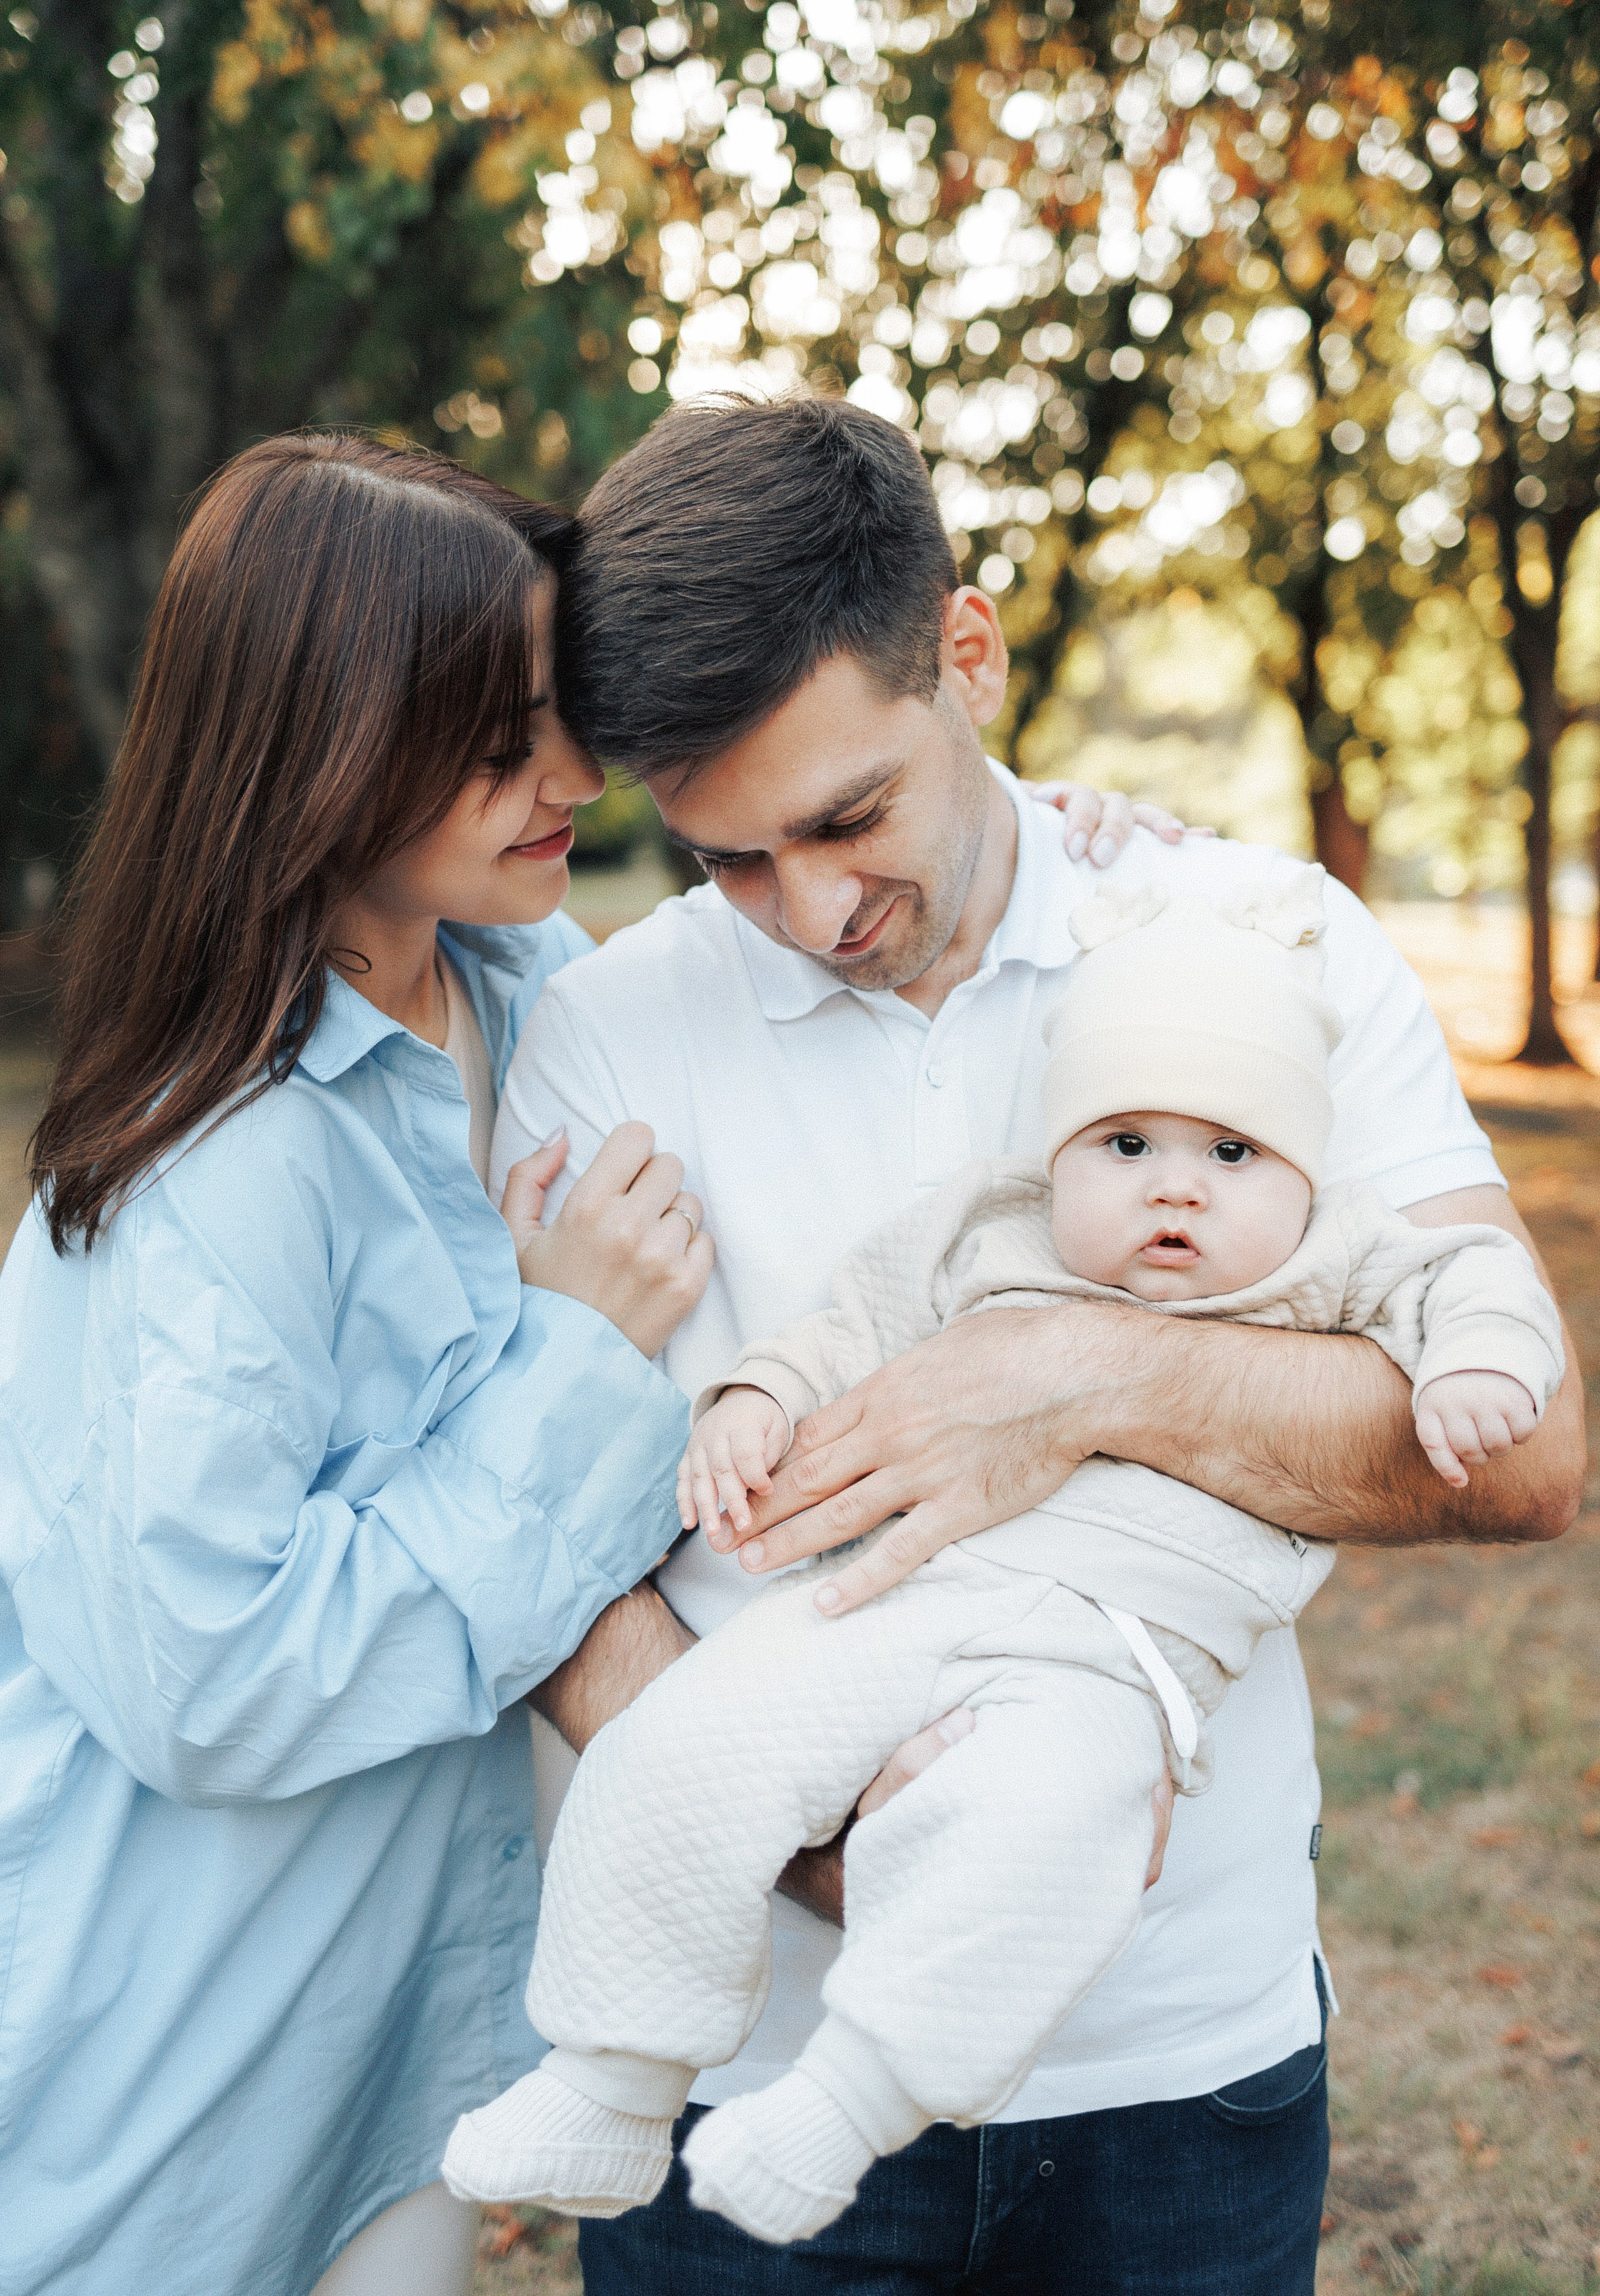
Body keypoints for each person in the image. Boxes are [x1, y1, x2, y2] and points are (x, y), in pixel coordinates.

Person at [488, 395, 1585, 2295]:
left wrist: (1079, 1381)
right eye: (729, 860)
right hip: (741, 2055)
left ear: (969, 656)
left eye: (850, 818)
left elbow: (1530, 1458)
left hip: (1180, 2059)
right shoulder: (602, 1035)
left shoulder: (1261, 946)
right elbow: (544, 1540)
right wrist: (843, 1865)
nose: (812, 912)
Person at [445, 864, 1563, 2247]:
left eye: (1229, 1156)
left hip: (1103, 1657)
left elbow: (1473, 1285)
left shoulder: (1328, 1257)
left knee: (1031, 1839)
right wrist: (751, 1403)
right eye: (1124, 1146)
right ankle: (610, 2075)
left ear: (1296, 1168)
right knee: (681, 1750)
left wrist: (1472, 1364)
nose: (1175, 1191)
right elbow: (841, 1327)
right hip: (883, 1596)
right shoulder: (993, 1226)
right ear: (1059, 1148)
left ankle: (846, 2102)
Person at [0, 432, 712, 2296]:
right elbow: (211, 1675)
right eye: (504, 737)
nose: (574, 775)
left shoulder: (519, 988)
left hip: (417, 2011)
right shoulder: (221, 1160)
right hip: (181, 2056)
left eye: (568, 713)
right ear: (325, 739)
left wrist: (1063, 851)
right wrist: (564, 1365)